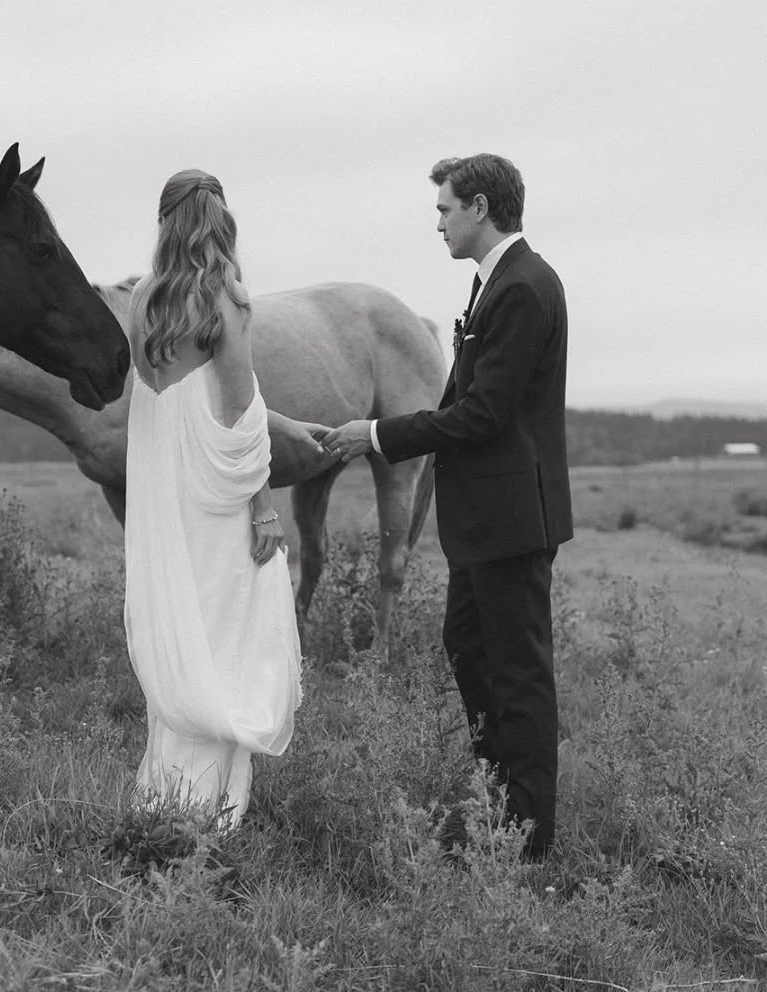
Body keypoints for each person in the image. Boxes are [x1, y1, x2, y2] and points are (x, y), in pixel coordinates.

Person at [319, 154, 571, 859]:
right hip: (485, 520)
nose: (438, 224)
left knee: (519, 673)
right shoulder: (495, 282)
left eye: (444, 209)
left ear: (480, 207)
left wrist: (375, 434)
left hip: (512, 518)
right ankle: (496, 800)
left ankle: (527, 836)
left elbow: (483, 413)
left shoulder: (525, 288)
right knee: (467, 645)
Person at [122, 169, 306, 828]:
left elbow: (159, 397)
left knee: (182, 621)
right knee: (226, 632)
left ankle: (166, 796)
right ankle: (212, 808)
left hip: (165, 491)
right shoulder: (226, 300)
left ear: (165, 222)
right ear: (220, 223)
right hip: (214, 491)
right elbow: (238, 414)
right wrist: (262, 505)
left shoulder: (142, 299)